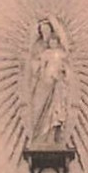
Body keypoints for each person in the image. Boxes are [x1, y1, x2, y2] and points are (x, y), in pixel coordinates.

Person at [25, 17, 74, 147]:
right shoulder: (40, 49)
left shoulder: (60, 52)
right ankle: (38, 137)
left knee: (55, 111)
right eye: (43, 31)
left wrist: (61, 75)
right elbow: (34, 66)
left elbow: (66, 67)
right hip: (43, 83)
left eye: (48, 30)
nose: (46, 34)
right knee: (38, 108)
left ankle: (52, 137)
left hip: (56, 84)